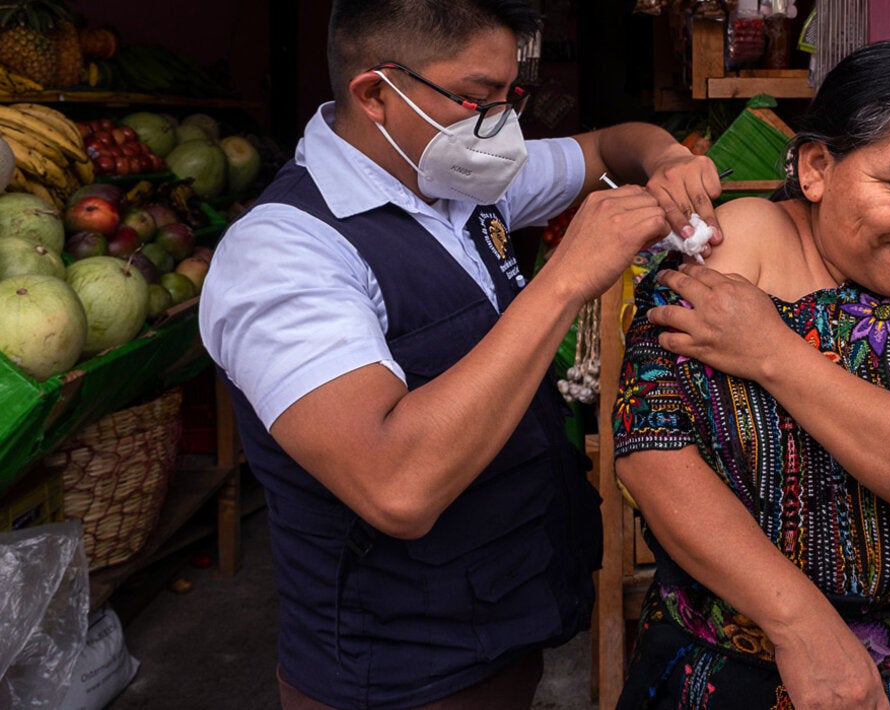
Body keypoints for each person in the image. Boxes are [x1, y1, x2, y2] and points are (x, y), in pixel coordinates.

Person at [197, 1, 725, 707]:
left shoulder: (463, 179)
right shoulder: (284, 254)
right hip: (398, 673)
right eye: (477, 98)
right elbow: (396, 487)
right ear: (376, 93)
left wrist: (666, 160)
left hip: (505, 626)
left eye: (511, 95)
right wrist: (567, 276)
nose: (503, 124)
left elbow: (608, 146)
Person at [612, 40, 890, 709]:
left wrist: (773, 353)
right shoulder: (737, 244)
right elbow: (651, 452)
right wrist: (801, 624)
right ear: (816, 168)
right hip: (716, 675)